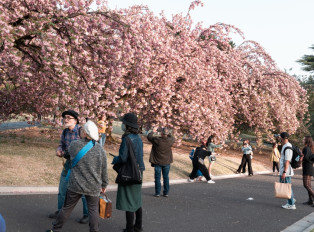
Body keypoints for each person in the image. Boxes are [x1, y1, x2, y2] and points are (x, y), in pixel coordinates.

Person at [47, 120, 108, 232]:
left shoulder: (75, 145)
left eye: (82, 130)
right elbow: (104, 170)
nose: (80, 131)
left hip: (75, 184)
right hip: (93, 186)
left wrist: (61, 153)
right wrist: (104, 184)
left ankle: (56, 229)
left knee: (66, 209)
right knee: (93, 210)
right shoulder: (100, 149)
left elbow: (67, 155)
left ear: (85, 133)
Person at [48, 110, 89, 224]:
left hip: (80, 165)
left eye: (69, 118)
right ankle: (60, 211)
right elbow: (61, 144)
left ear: (75, 120)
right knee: (62, 188)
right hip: (68, 164)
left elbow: (87, 147)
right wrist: (59, 150)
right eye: (65, 117)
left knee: (83, 191)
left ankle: (87, 214)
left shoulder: (82, 131)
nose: (66, 120)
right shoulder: (65, 132)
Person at [112, 113, 145, 232]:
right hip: (139, 170)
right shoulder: (138, 138)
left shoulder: (126, 138)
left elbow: (123, 158)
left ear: (127, 125)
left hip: (129, 172)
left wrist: (114, 159)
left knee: (128, 201)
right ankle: (138, 226)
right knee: (136, 199)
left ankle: (129, 228)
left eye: (123, 123)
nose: (122, 125)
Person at [148, 128, 175, 197]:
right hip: (166, 162)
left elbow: (149, 137)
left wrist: (153, 131)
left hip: (157, 162)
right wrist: (168, 134)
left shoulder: (157, 140)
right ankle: (166, 192)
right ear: (167, 134)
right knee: (166, 177)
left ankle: (157, 192)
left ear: (161, 133)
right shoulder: (170, 140)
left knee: (157, 178)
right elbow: (172, 137)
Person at [279, 132, 296, 210]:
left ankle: (291, 204)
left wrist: (284, 172)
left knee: (287, 187)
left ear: (282, 138)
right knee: (287, 186)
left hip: (286, 171)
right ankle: (291, 200)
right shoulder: (285, 146)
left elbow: (287, 161)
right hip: (284, 170)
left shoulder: (288, 147)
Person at [301, 135, 314, 206]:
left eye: (304, 139)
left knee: (306, 185)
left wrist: (301, 155)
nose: (303, 140)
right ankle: (310, 200)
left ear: (306, 140)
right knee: (309, 185)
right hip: (310, 167)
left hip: (307, 167)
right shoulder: (311, 148)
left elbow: (305, 158)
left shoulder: (306, 148)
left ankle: (312, 199)